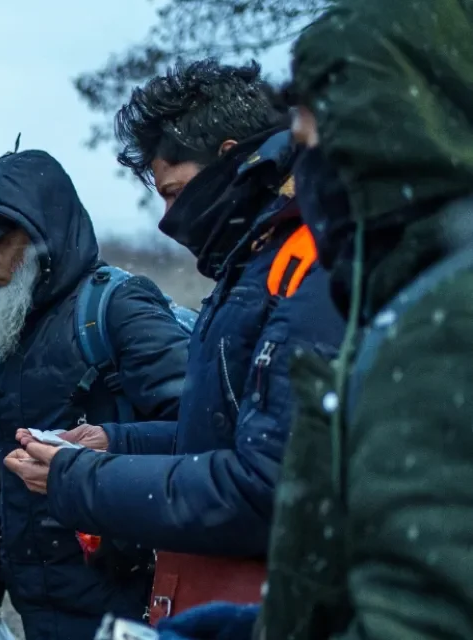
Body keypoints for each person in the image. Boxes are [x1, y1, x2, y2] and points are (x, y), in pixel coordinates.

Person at [163, 1, 473, 638]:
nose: (299, 183)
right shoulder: (393, 302)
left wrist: (87, 480)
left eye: (310, 151)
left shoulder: (440, 333)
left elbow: (418, 618)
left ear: (385, 139)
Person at [0, 59, 344, 622]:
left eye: (175, 191)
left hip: (275, 606)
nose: (169, 219)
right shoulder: (249, 268)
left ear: (232, 160)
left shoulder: (306, 267)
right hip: (214, 602)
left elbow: (265, 488)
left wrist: (76, 480)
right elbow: (224, 434)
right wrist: (113, 443)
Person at [0, 149, 191, 638]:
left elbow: (204, 434)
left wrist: (111, 441)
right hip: (42, 596)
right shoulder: (14, 320)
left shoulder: (118, 308)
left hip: (126, 591)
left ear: (43, 236)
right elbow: (5, 460)